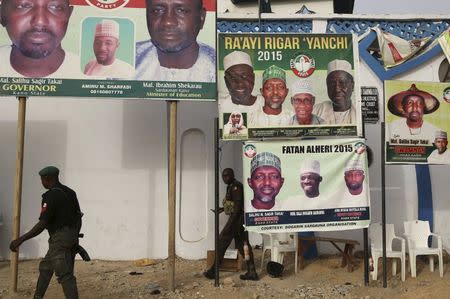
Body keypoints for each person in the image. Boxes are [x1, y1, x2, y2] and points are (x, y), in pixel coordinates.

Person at [9, 166, 85, 299]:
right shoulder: (70, 192)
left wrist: (21, 239)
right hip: (69, 237)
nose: (42, 183)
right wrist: (73, 238)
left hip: (59, 240)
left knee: (65, 275)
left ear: (48, 179)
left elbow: (42, 224)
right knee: (45, 268)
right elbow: (79, 217)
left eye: (42, 180)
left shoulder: (50, 196)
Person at [134, 0, 215, 82]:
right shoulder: (129, 60)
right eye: (157, 10)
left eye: (181, 11)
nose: (168, 22)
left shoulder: (218, 67)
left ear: (202, 18)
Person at [0, 0, 81, 78]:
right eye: (23, 6)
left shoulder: (87, 75)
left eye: (55, 7)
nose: (40, 21)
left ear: (68, 15)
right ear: (2, 15)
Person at [203, 168, 258, 281]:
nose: (225, 178)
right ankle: (252, 271)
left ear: (232, 175)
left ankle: (214, 271)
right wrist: (222, 209)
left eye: (227, 176)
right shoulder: (231, 186)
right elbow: (233, 205)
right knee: (243, 246)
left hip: (237, 221)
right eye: (223, 176)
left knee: (221, 242)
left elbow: (237, 209)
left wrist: (229, 225)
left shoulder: (236, 187)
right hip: (238, 221)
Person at [313, 59, 356, 124]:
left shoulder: (360, 111)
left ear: (352, 86)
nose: (337, 89)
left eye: (342, 83)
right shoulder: (316, 110)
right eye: (332, 83)